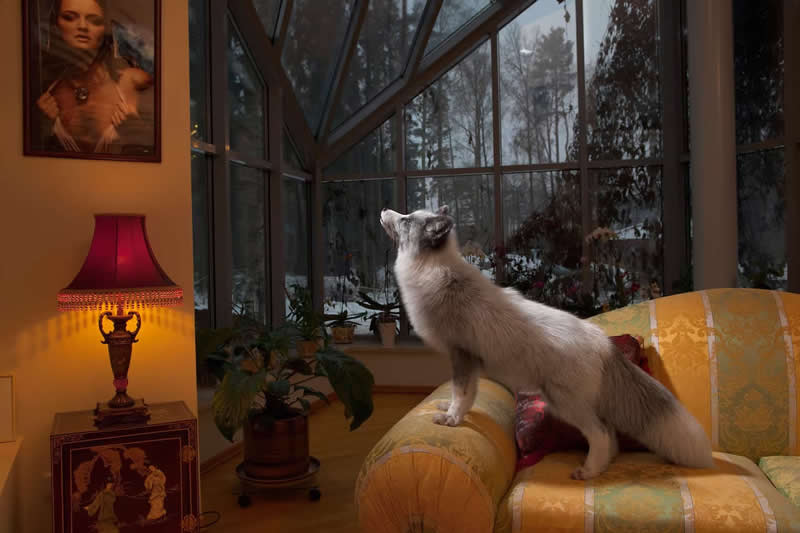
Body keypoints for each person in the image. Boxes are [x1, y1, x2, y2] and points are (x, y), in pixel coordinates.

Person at [36, 0, 153, 153]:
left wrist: (134, 128)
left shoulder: (130, 81)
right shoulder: (42, 86)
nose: (83, 26)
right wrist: (40, 124)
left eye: (95, 21)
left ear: (105, 29)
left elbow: (160, 137)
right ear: (55, 25)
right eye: (70, 17)